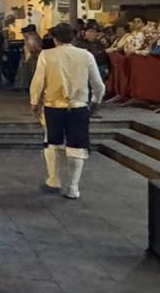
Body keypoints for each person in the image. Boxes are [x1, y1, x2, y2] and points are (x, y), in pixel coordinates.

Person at [30, 22, 105, 200]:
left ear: (55, 39)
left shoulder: (46, 55)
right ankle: (73, 187)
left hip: (53, 105)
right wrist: (96, 100)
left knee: (52, 143)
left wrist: (34, 101)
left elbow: (38, 81)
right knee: (77, 147)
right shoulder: (85, 55)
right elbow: (98, 84)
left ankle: (54, 179)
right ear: (73, 37)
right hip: (78, 107)